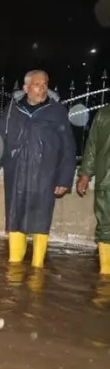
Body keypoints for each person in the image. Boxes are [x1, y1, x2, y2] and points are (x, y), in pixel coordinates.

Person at [0, 69, 76, 268]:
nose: (42, 88)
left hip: (46, 175)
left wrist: (65, 179)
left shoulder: (57, 111)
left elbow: (68, 147)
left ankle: (37, 268)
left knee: (41, 219)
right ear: (26, 88)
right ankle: (14, 267)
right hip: (16, 173)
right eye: (37, 84)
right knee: (15, 217)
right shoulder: (12, 110)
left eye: (45, 84)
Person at [76, 104, 110, 274]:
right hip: (107, 181)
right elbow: (92, 146)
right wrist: (85, 175)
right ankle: (106, 275)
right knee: (106, 228)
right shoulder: (104, 113)